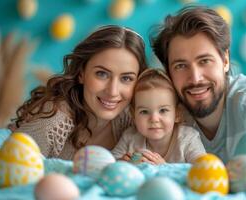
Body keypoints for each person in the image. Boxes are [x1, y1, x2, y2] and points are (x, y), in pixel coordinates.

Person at [150, 5, 246, 163]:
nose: (195, 78)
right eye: (181, 66)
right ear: (168, 73)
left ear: (225, 61)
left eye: (205, 61)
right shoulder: (173, 118)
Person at [10, 25, 147, 160]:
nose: (112, 91)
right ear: (81, 73)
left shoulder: (136, 120)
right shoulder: (52, 123)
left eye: (126, 78)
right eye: (102, 74)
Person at [111, 68, 206, 164]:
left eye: (163, 110)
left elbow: (204, 170)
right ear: (133, 115)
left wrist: (164, 168)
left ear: (177, 114)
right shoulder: (130, 137)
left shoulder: (187, 139)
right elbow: (109, 164)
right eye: (144, 111)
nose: (154, 119)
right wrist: (124, 163)